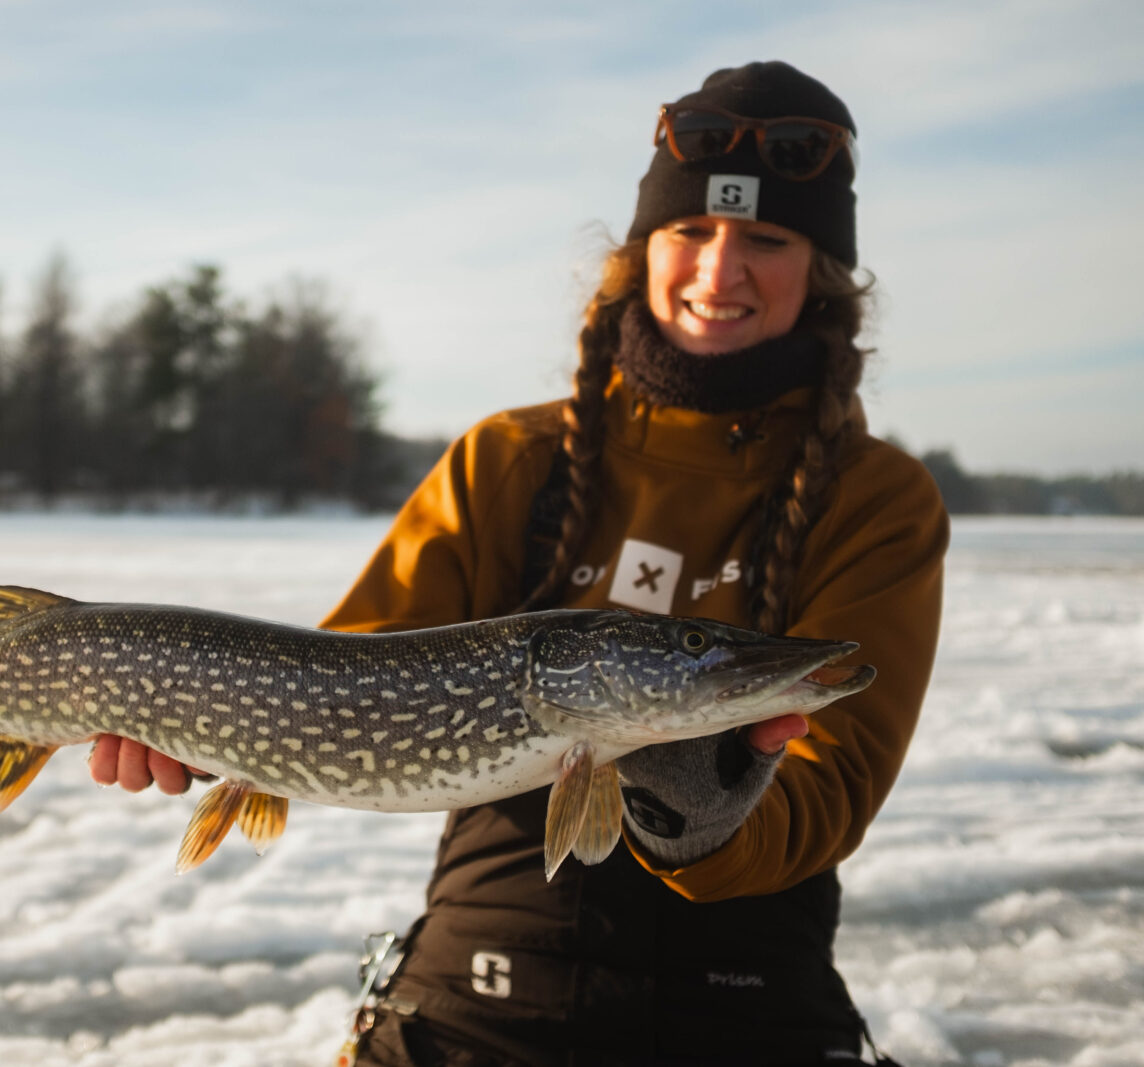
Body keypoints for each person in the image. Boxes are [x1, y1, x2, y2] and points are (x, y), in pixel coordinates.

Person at [90, 60, 947, 1066]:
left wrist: (700, 815)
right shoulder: (509, 458)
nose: (721, 272)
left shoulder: (874, 498)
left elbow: (829, 791)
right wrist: (203, 723)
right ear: (639, 254)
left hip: (745, 1006)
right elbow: (347, 677)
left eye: (767, 238)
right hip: (478, 992)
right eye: (690, 233)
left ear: (821, 272)